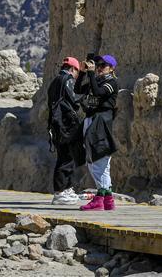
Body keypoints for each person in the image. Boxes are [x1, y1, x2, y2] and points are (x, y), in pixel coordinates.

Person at [75, 54, 119, 211]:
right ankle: (108, 199)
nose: (99, 68)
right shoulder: (98, 80)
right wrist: (82, 72)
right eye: (98, 65)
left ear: (112, 68)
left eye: (103, 66)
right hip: (93, 119)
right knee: (101, 162)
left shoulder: (111, 82)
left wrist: (92, 73)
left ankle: (99, 199)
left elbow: (99, 93)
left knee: (97, 158)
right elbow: (78, 89)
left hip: (100, 122)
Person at [48, 56, 85, 204]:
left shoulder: (55, 81)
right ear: (73, 69)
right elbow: (74, 99)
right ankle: (60, 192)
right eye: (77, 72)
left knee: (65, 156)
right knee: (66, 158)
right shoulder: (67, 80)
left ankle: (67, 188)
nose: (76, 76)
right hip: (66, 125)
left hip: (57, 125)